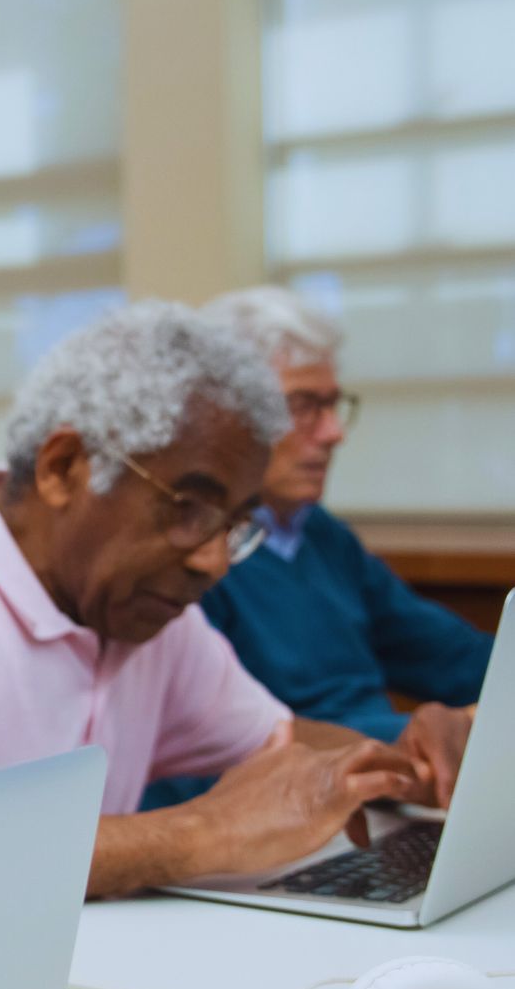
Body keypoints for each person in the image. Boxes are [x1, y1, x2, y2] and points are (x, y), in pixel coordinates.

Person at [0, 301, 426, 898]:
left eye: (237, 524)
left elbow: (279, 743)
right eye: (188, 508)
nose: (213, 559)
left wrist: (412, 756)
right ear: (64, 468)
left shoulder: (141, 613)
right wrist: (197, 833)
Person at [198, 286, 490, 806]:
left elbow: (457, 657)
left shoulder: (322, 535)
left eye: (334, 405)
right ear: (225, 415)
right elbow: (223, 743)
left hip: (384, 792)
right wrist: (410, 739)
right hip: (296, 805)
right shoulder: (196, 560)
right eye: (303, 407)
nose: (334, 433)